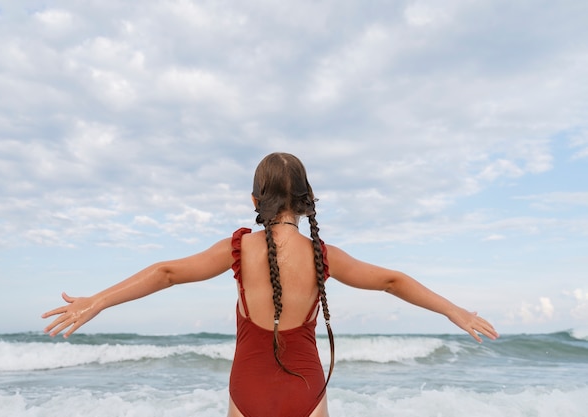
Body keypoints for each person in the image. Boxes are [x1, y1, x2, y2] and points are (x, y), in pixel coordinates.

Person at [42, 152, 498, 417]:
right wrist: (453, 311)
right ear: (306, 201)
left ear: (254, 201)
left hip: (248, 389)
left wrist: (98, 301)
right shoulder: (324, 256)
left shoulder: (237, 248)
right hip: (307, 391)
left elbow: (166, 273)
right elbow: (392, 280)